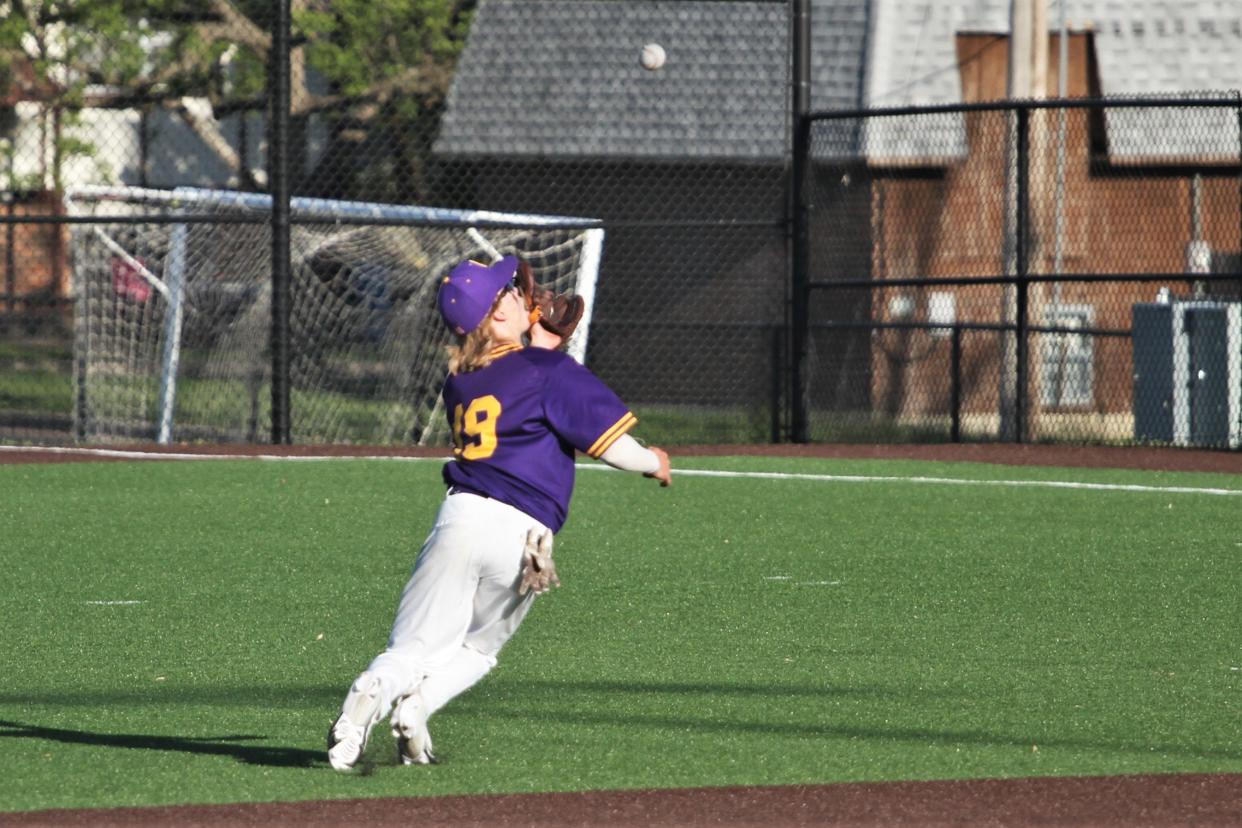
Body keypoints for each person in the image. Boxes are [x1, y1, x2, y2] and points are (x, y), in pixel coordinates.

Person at [327, 254, 671, 771]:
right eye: (506, 293)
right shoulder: (547, 368)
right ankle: (416, 710)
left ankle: (378, 694)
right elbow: (614, 448)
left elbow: (510, 380)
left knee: (416, 646)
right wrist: (655, 462)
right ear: (498, 316)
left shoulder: (458, 382)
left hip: (461, 520)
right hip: (524, 538)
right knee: (479, 650)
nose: (518, 294)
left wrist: (541, 349)